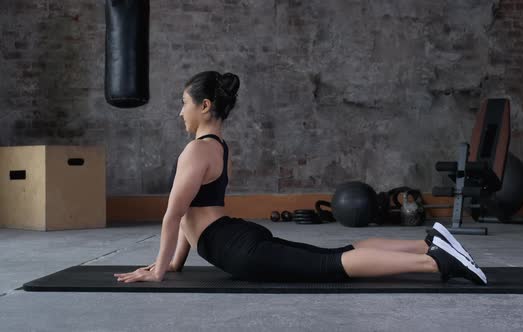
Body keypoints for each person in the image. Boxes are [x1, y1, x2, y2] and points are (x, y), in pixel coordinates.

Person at [114, 71, 487, 285]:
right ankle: (431, 244)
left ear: (204, 106)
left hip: (236, 248)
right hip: (234, 238)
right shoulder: (216, 146)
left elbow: (174, 214)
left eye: (184, 102)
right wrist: (174, 263)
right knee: (335, 255)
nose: (181, 112)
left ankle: (438, 262)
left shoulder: (197, 150)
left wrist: (158, 271)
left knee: (332, 266)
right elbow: (192, 212)